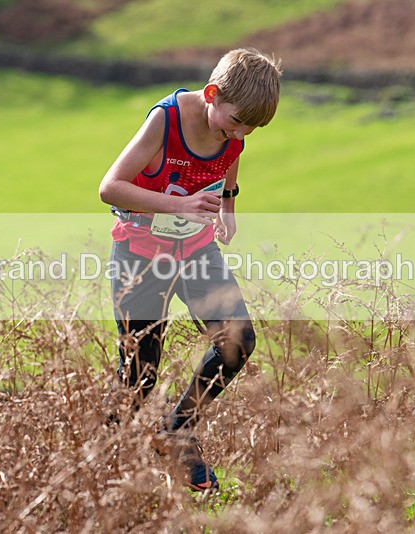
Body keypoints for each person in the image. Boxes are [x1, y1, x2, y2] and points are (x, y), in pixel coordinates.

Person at [98, 48, 282, 492]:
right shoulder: (167, 120)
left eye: (251, 129)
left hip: (196, 252)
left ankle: (177, 431)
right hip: (140, 254)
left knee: (237, 341)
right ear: (212, 94)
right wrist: (179, 204)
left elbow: (230, 153)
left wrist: (229, 202)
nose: (241, 134)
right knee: (139, 377)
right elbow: (110, 188)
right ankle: (106, 465)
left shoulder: (234, 128)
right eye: (237, 122)